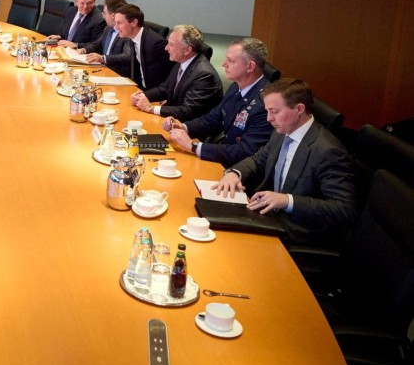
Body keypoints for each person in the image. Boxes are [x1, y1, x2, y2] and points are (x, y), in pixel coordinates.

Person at [212, 79, 357, 245]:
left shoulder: (327, 151)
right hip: (267, 215)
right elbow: (258, 159)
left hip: (296, 232)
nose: (269, 119)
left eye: (274, 111)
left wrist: (288, 201)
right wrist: (234, 173)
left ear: (299, 109)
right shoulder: (283, 131)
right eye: (267, 111)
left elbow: (345, 209)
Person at [163, 37, 274, 167]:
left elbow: (245, 151)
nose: (223, 64)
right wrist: (183, 127)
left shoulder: (266, 104)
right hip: (221, 157)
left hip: (237, 171)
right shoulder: (235, 87)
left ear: (250, 66)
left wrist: (193, 146)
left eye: (230, 61)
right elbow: (213, 119)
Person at [130, 25, 222, 121]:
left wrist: (151, 108)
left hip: (189, 129)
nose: (166, 48)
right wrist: (142, 96)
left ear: (187, 50)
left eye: (171, 44)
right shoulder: (182, 61)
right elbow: (165, 88)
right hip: (172, 120)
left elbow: (188, 111)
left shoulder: (204, 75)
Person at [86, 4, 172, 90]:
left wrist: (157, 95)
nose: (116, 27)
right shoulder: (132, 38)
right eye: (115, 23)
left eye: (119, 23)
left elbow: (171, 73)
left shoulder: (155, 42)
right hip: (138, 88)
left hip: (154, 92)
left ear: (134, 23)